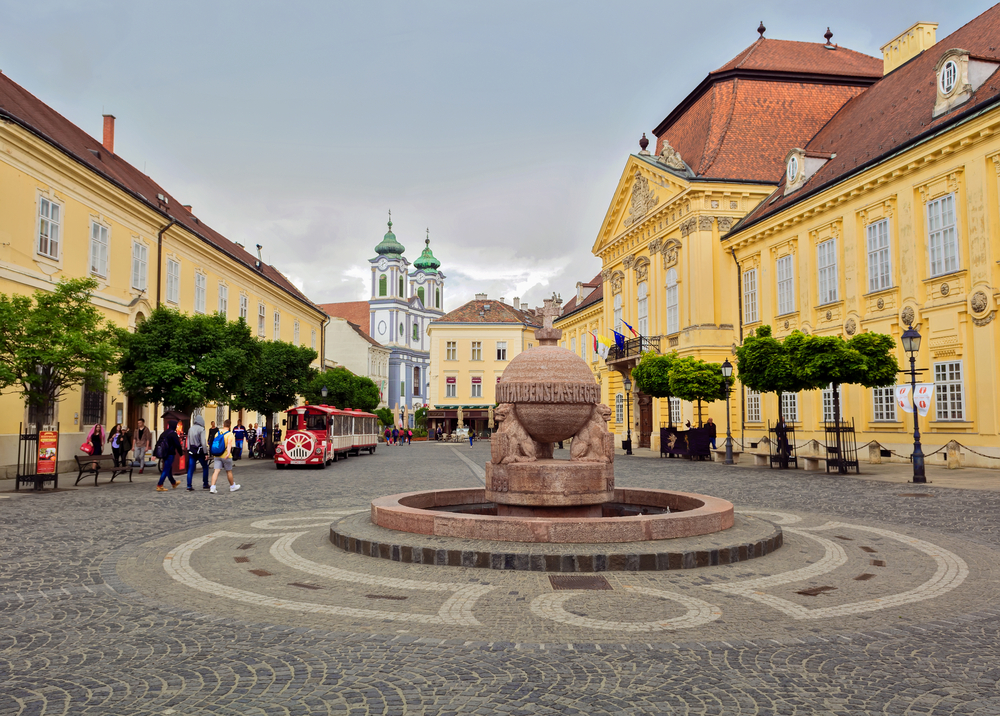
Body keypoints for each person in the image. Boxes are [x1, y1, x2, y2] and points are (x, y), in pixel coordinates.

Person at [209, 419, 240, 494]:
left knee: (216, 471)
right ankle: (232, 486)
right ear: (230, 426)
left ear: (223, 425)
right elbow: (229, 444)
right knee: (229, 471)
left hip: (217, 454)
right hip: (226, 455)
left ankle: (212, 487)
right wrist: (228, 453)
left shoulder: (217, 433)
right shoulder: (230, 434)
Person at [156, 419, 183, 491]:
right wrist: (181, 453)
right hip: (170, 453)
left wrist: (155, 453)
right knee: (166, 469)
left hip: (164, 453)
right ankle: (159, 485)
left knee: (169, 469)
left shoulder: (164, 433)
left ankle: (173, 483)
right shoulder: (173, 434)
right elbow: (177, 445)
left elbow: (158, 443)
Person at [186, 414, 210, 491]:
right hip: (200, 451)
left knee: (190, 469)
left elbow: (188, 440)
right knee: (205, 467)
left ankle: (189, 485)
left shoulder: (190, 429)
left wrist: (188, 449)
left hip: (191, 451)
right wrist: (206, 453)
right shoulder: (202, 429)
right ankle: (205, 484)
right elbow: (203, 442)